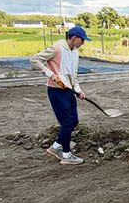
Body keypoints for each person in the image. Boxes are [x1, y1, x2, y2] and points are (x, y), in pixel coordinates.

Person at [31, 25, 89, 165]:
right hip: (56, 91)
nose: (83, 43)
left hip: (68, 90)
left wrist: (78, 90)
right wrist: (51, 74)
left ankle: (55, 147)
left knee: (74, 121)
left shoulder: (74, 52)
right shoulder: (57, 48)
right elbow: (34, 59)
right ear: (74, 38)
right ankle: (66, 155)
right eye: (82, 40)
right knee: (67, 123)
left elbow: (72, 74)